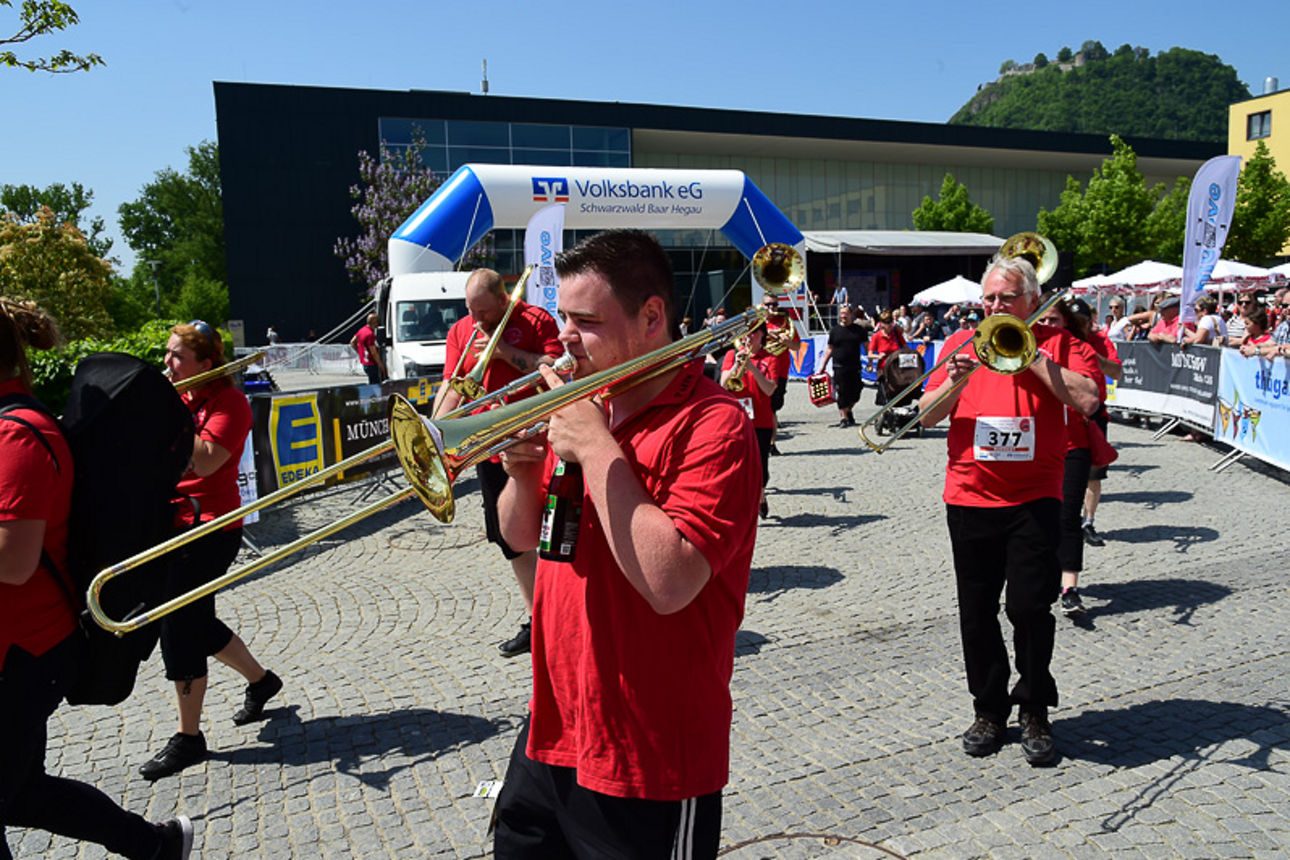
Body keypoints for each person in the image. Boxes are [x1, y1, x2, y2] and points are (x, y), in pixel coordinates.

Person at [491, 229, 760, 857]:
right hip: (554, 724)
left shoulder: (715, 424)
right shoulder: (588, 406)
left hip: (649, 752)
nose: (564, 337)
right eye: (563, 317)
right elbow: (520, 536)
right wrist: (522, 474)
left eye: (586, 321)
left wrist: (594, 446)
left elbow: (670, 582)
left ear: (651, 316)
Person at [0, 299, 194, 858]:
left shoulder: (14, 436)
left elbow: (14, 560)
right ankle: (156, 846)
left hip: (22, 653)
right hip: (21, 649)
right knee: (21, 793)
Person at [918, 255, 1100, 766]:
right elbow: (926, 416)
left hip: (1034, 499)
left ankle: (1035, 707)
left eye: (1007, 298)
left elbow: (1088, 399)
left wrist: (1030, 353)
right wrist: (954, 381)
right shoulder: (961, 342)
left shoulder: (1060, 343)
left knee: (1029, 608)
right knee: (976, 612)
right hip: (970, 496)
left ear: (1032, 301)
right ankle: (989, 709)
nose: (995, 306)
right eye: (990, 298)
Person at [139, 320, 282, 781]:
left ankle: (189, 738)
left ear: (205, 363)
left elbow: (205, 460)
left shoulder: (230, 402)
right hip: (172, 522)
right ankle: (262, 681)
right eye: (167, 353)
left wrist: (168, 414)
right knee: (195, 621)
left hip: (211, 528)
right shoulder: (181, 397)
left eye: (177, 357)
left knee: (179, 626)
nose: (167, 363)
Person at [432, 269, 563, 658]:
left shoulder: (536, 320)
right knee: (510, 539)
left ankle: (562, 612)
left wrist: (504, 351)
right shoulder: (461, 331)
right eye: (471, 310)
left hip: (538, 444)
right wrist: (433, 431)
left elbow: (557, 368)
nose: (476, 320)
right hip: (488, 448)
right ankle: (537, 619)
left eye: (485, 312)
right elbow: (453, 383)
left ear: (505, 301)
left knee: (554, 531)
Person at [1033, 297, 1112, 617]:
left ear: (1065, 322)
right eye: (1042, 320)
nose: (1047, 326)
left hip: (1072, 442)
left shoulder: (1077, 348)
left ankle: (1070, 587)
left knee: (1067, 516)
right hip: (1035, 444)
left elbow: (1095, 395)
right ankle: (1042, 575)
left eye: (1053, 320)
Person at [720, 325, 777, 518]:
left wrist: (752, 367)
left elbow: (769, 389)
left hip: (761, 420)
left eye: (753, 332)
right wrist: (736, 367)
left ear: (762, 334)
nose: (749, 336)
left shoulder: (770, 358)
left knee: (761, 465)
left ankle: (761, 496)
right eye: (746, 332)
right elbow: (723, 385)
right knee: (737, 463)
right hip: (736, 419)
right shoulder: (732, 355)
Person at [817, 304, 867, 427]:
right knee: (842, 392)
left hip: (855, 366)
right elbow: (829, 349)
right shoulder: (835, 331)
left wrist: (870, 361)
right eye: (842, 313)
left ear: (851, 315)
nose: (843, 316)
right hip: (839, 366)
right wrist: (823, 365)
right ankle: (844, 418)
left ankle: (848, 410)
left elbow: (867, 346)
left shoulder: (859, 330)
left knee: (856, 393)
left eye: (846, 313)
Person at [866, 309, 908, 405]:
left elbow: (906, 348)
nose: (889, 325)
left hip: (896, 368)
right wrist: (878, 356)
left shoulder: (897, 334)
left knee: (897, 396)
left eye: (890, 322)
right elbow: (869, 354)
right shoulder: (876, 336)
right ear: (881, 324)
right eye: (886, 322)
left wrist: (903, 354)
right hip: (883, 369)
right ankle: (886, 412)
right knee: (886, 396)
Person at [350, 311, 387, 384]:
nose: (377, 325)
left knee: (371, 381)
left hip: (364, 362)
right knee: (375, 383)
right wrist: (381, 366)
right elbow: (373, 352)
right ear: (374, 323)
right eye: (377, 322)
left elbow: (352, 342)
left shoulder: (361, 330)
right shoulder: (370, 334)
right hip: (371, 363)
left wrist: (360, 353)